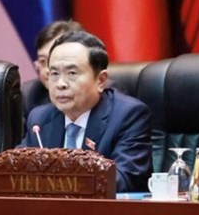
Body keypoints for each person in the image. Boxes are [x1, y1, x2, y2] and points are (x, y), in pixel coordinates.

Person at [19, 30, 153, 193]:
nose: (60, 83)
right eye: (54, 73)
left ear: (101, 80)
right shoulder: (40, 119)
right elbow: (17, 171)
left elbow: (124, 179)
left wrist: (56, 183)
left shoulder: (128, 115)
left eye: (72, 73)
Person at [21, 20, 84, 117]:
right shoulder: (30, 96)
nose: (48, 70)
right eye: (42, 61)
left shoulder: (106, 99)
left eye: (55, 60)